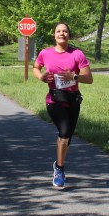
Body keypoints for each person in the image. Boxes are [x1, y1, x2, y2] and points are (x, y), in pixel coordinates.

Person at [32, 22, 93, 189]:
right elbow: (36, 67)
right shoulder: (45, 53)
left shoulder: (77, 54)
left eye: (65, 31)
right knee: (64, 132)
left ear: (69, 35)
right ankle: (59, 170)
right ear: (54, 35)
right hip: (54, 100)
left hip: (73, 100)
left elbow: (89, 78)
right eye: (58, 31)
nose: (62, 33)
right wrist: (41, 77)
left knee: (67, 138)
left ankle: (58, 162)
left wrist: (74, 77)